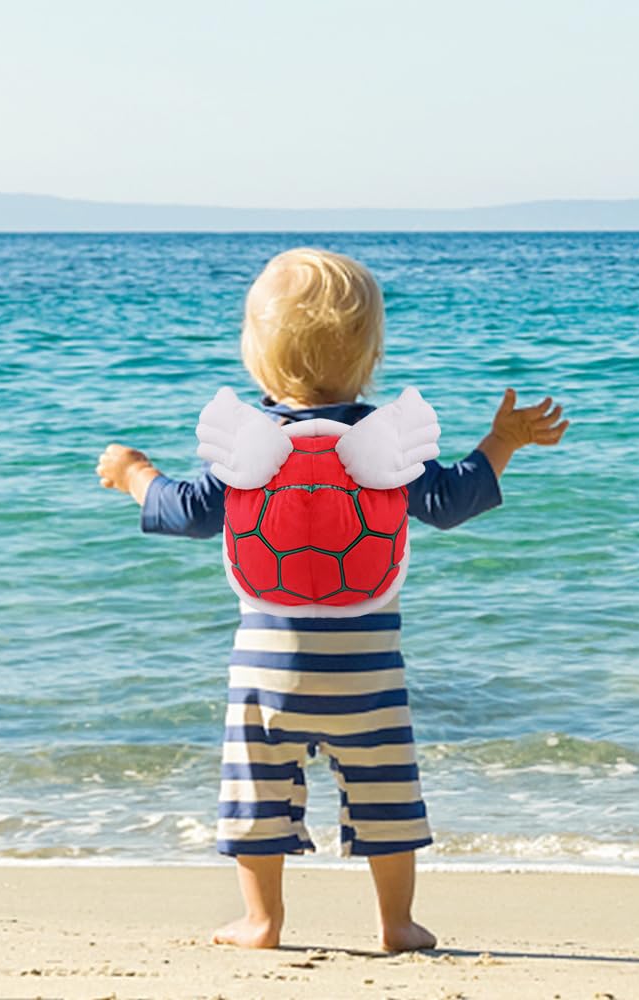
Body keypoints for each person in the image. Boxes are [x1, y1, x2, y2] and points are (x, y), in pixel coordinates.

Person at [96, 247, 569, 952]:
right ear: (371, 356)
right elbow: (449, 501)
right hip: (367, 668)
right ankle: (397, 923)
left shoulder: (249, 451)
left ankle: (262, 922)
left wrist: (135, 472)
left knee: (256, 790)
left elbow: (186, 511)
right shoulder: (381, 448)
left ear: (256, 357)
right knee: (386, 788)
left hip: (267, 666)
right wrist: (500, 442)